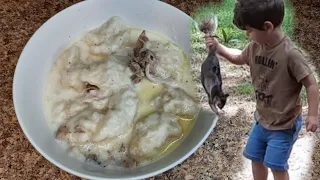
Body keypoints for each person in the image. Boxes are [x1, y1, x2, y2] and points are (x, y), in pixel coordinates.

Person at [204, 0, 319, 180]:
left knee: (276, 166)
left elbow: (311, 84)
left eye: (250, 31)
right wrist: (218, 48)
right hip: (262, 120)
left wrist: (312, 115)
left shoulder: (290, 54)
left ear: (267, 27)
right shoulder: (256, 46)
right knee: (255, 159)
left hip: (284, 124)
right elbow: (238, 57)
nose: (248, 35)